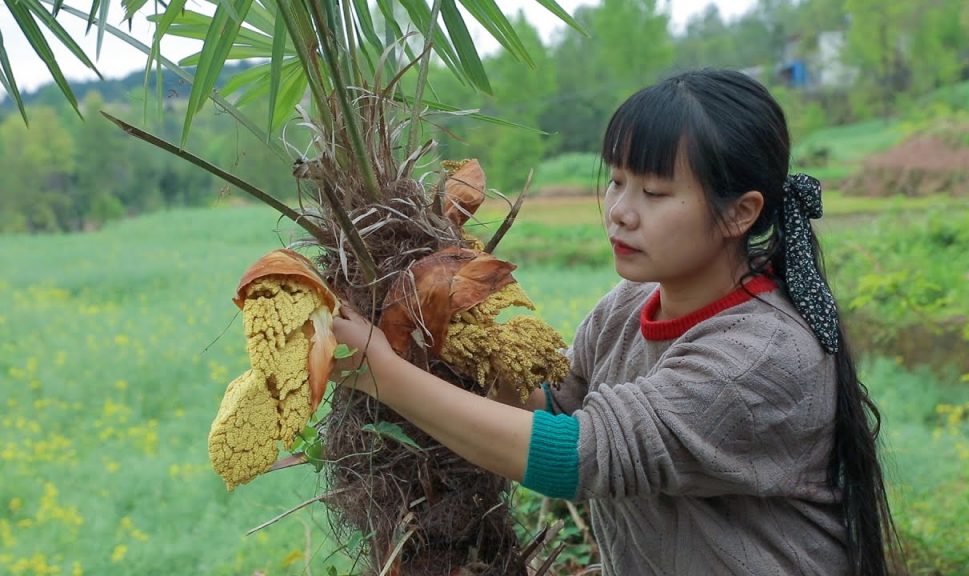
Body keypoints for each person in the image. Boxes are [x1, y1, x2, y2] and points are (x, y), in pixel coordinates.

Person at [331, 68, 901, 575]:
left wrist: (382, 370)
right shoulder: (629, 305)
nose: (620, 210)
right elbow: (553, 407)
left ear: (740, 212)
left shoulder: (759, 357)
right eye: (617, 181)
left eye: (654, 191)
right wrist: (454, 337)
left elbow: (576, 455)